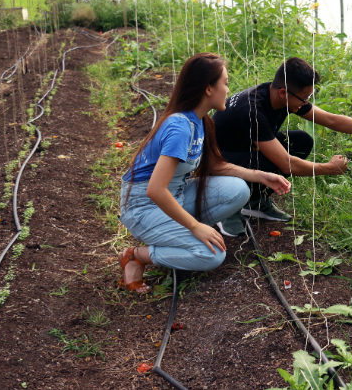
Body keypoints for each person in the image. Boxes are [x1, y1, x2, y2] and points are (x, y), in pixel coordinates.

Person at [118, 53, 291, 293]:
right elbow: (155, 190)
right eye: (226, 83)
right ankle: (136, 256)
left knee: (239, 190)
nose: (228, 90)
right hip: (144, 206)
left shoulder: (200, 121)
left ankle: (176, 236)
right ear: (208, 89)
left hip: (174, 194)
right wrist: (194, 226)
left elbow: (214, 167)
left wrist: (260, 175)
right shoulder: (179, 127)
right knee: (211, 256)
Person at [213, 56, 352, 236]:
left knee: (302, 141)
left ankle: (255, 202)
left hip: (245, 147)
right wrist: (329, 169)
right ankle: (226, 209)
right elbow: (286, 164)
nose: (306, 102)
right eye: (304, 97)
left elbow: (331, 120)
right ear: (283, 93)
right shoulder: (252, 110)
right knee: (272, 163)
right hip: (218, 162)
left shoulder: (281, 95)